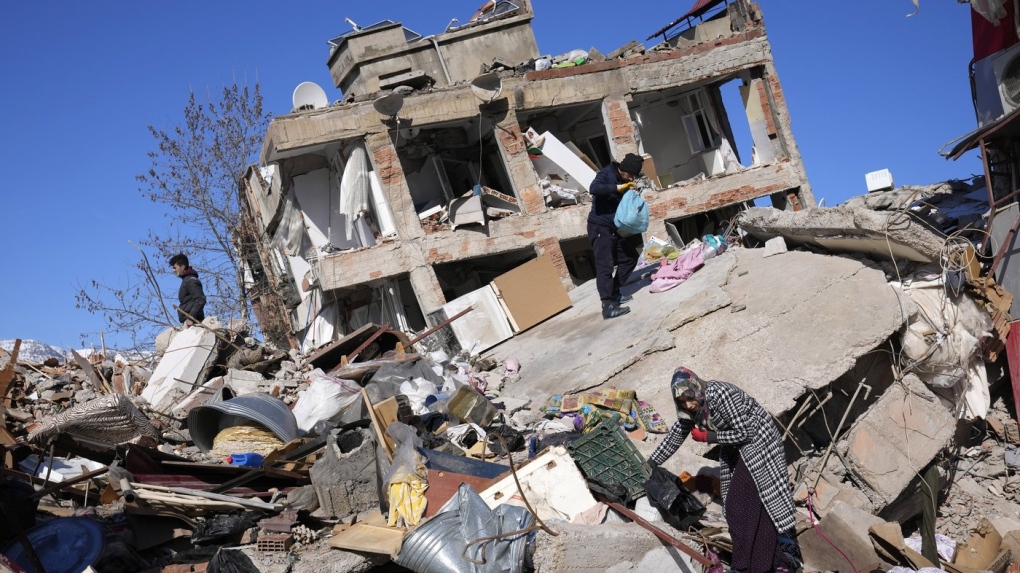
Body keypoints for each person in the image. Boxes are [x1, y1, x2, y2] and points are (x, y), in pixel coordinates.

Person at [649, 366, 799, 573]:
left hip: (759, 444)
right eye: (682, 402)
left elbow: (747, 432)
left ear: (696, 387)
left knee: (738, 507)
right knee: (754, 509)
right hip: (738, 449)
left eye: (690, 397)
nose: (689, 405)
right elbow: (677, 434)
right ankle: (774, 564)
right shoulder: (690, 409)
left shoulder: (720, 394)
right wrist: (652, 462)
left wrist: (709, 437)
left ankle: (742, 566)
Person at [588, 152, 645, 320]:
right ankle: (607, 306)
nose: (631, 178)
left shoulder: (624, 179)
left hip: (612, 227)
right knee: (605, 266)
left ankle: (614, 293)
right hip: (599, 227)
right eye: (631, 174)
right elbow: (594, 188)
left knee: (630, 258)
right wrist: (617, 188)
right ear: (626, 170)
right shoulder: (605, 174)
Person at [169, 253, 206, 327]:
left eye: (175, 267)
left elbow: (201, 299)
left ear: (182, 266)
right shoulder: (186, 280)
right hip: (190, 322)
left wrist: (191, 318)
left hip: (194, 323)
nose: (173, 270)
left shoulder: (191, 281)